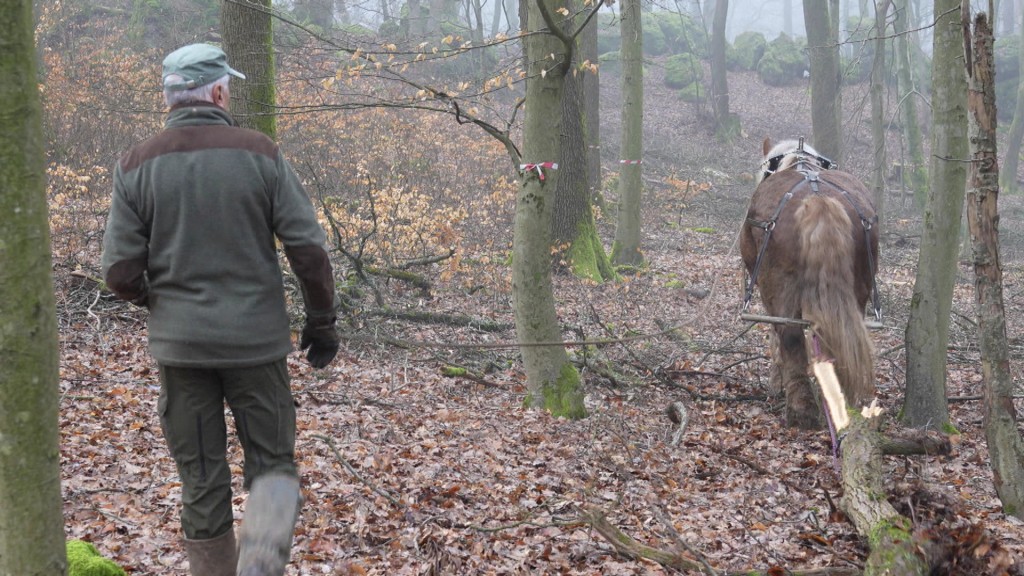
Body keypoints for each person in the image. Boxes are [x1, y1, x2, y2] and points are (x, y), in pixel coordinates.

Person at [101, 43, 339, 576]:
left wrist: (159, 302)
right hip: (256, 347)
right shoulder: (260, 152)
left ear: (170, 97)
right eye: (226, 86)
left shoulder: (136, 163)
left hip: (181, 350)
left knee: (201, 477)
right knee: (273, 469)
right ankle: (259, 571)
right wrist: (321, 322)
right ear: (216, 91)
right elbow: (309, 251)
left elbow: (118, 272)